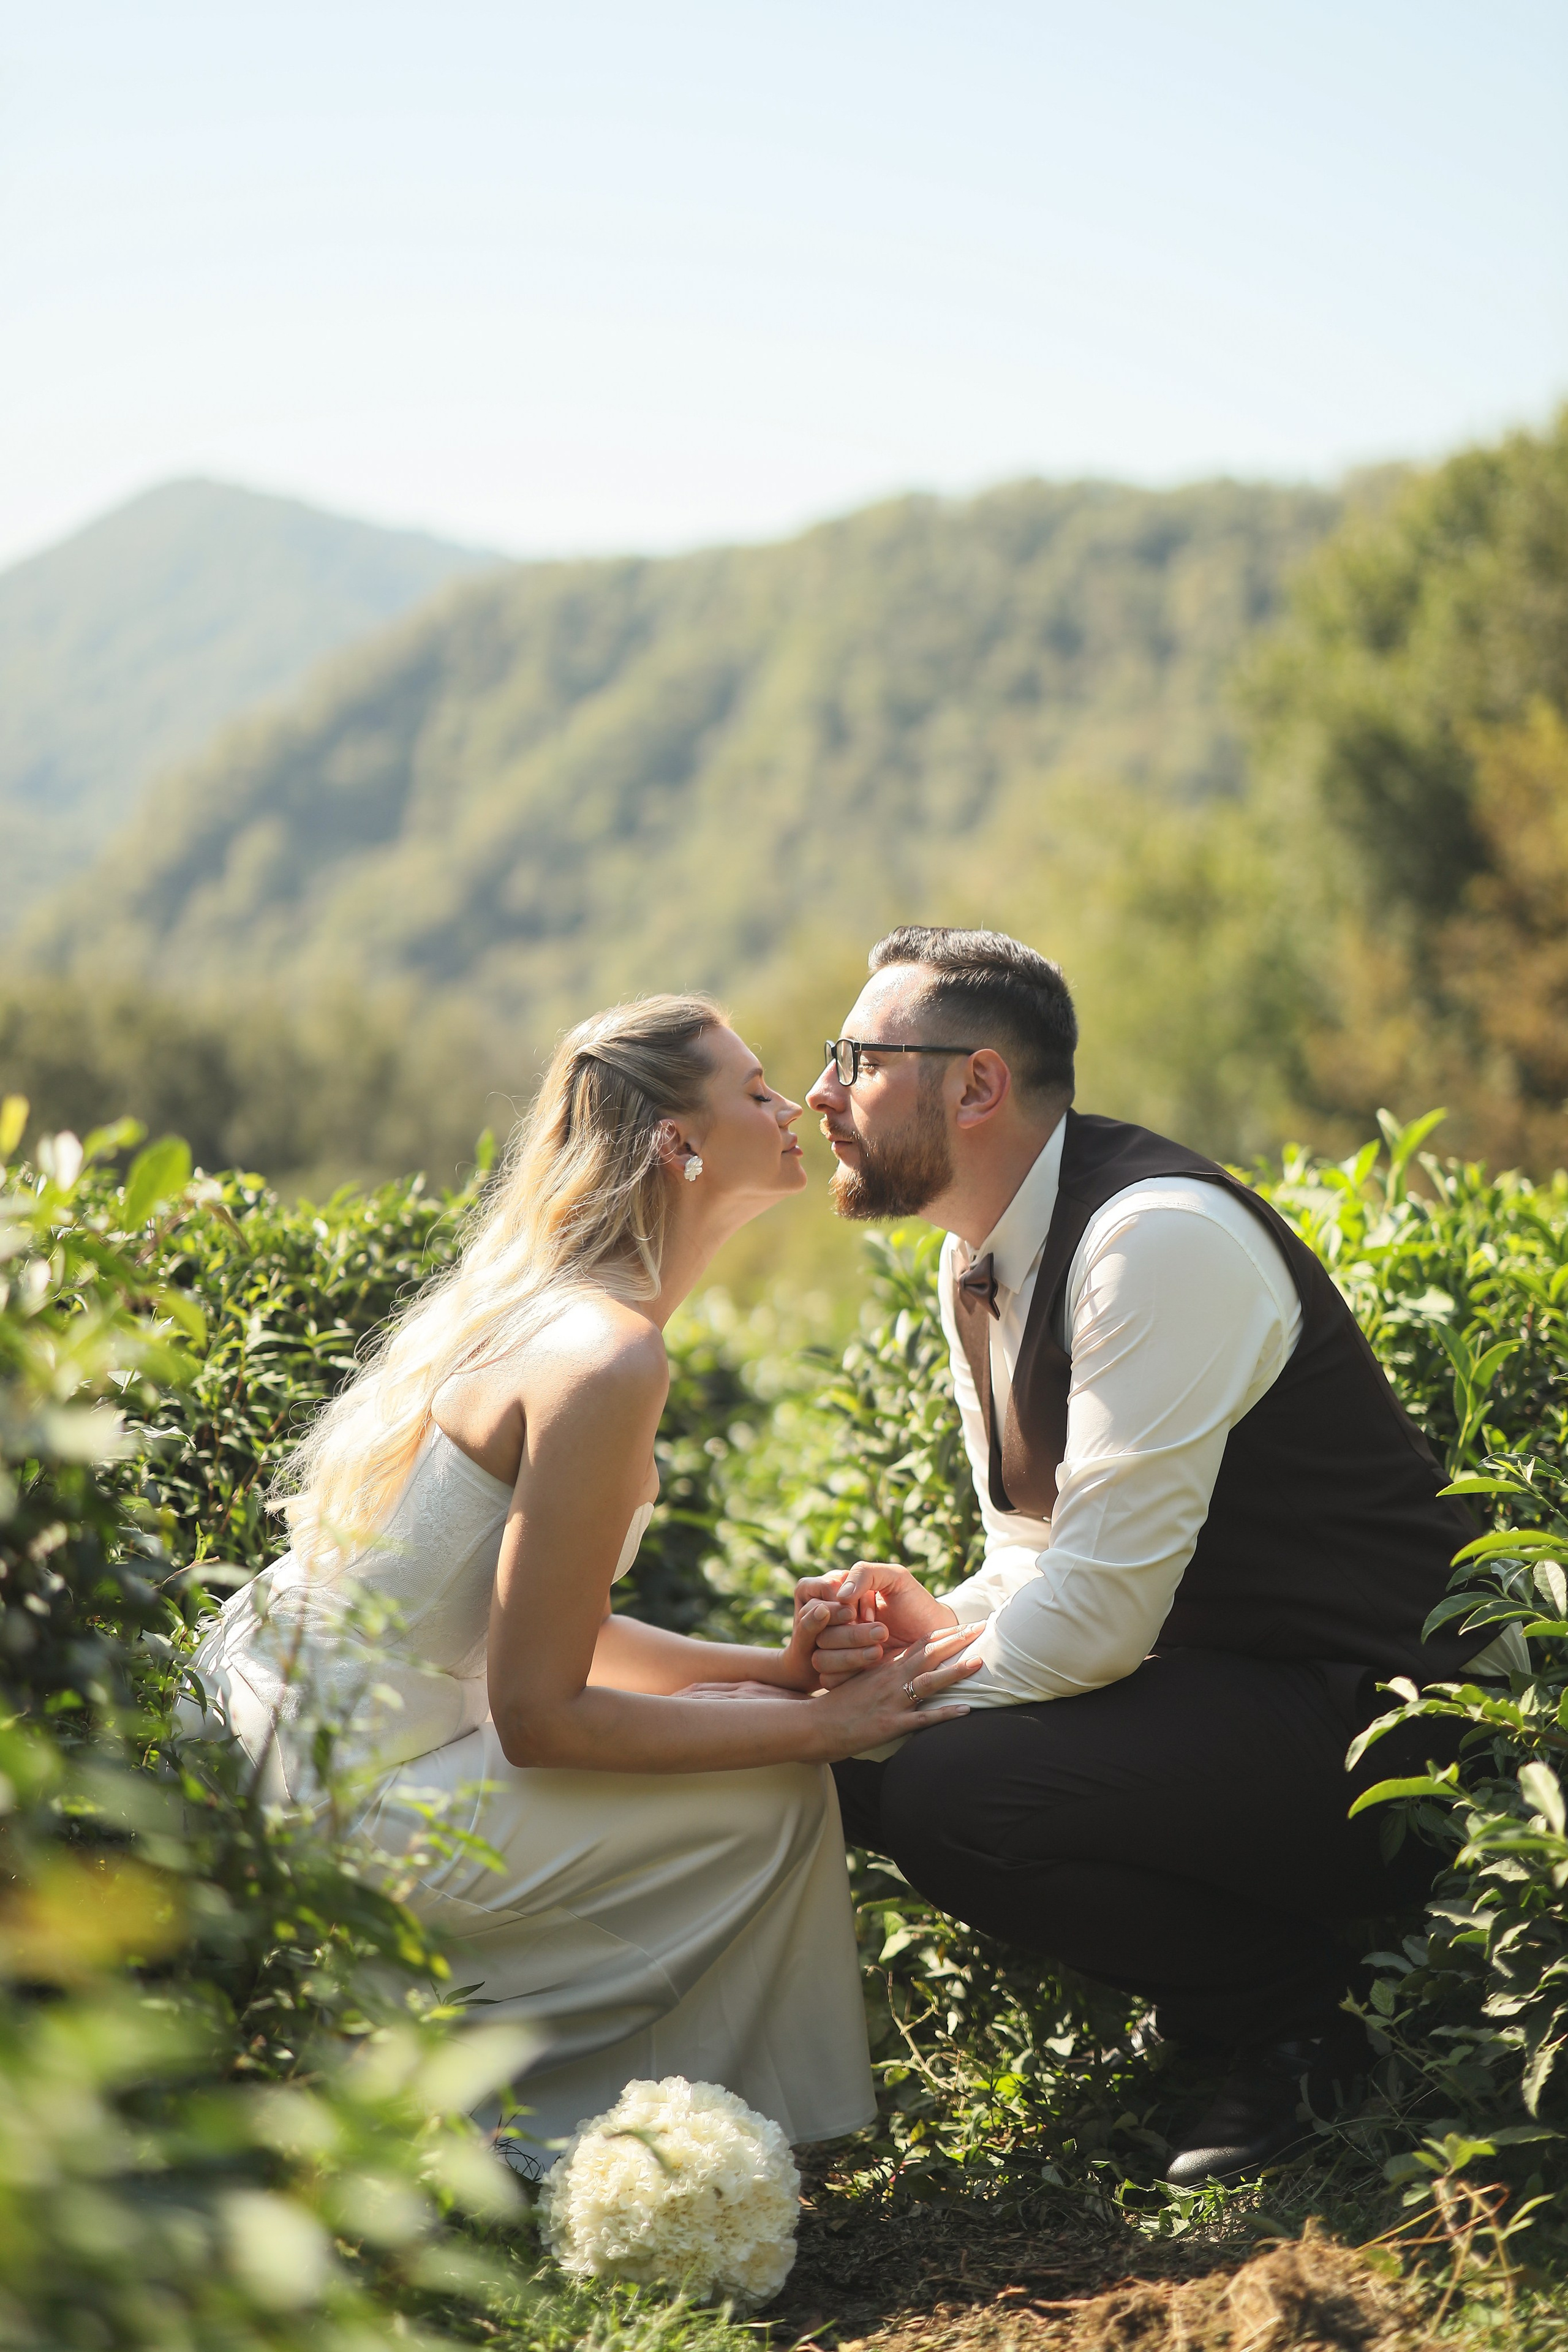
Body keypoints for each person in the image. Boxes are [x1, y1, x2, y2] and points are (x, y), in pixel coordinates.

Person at [179, 994, 979, 2164]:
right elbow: (541, 1715)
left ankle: (664, 2137)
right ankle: (616, 2142)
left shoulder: (560, 1314)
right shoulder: (604, 1355)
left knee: (749, 1733)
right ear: (678, 1143)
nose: (799, 1104)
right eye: (758, 1089)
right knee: (769, 1785)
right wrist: (823, 1729)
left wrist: (780, 1678)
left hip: (286, 1722)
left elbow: (558, 1631)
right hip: (341, 1795)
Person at [799, 926, 1523, 2187]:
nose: (821, 1093)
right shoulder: (975, 1261)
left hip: (1391, 1724)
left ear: (975, 1085)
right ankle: (1220, 1990)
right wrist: (926, 1632)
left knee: (940, 1789)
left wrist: (885, 1704)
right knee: (855, 1766)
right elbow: (1038, 1556)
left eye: (856, 1060)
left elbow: (1091, 1624)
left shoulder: (1154, 1239)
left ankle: (1300, 2022)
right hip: (1233, 1690)